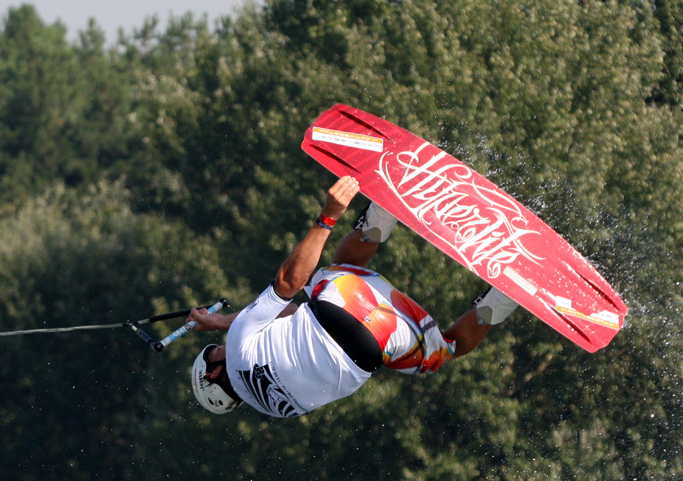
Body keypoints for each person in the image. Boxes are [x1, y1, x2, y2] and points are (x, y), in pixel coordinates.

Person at [188, 175, 519, 418]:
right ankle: (383, 211)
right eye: (212, 351)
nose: (219, 346)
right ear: (213, 374)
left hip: (376, 343)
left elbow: (287, 327)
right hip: (340, 301)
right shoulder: (236, 348)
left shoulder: (279, 411)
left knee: (446, 351)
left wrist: (222, 321)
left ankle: (507, 295)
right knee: (334, 271)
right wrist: (329, 215)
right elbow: (289, 284)